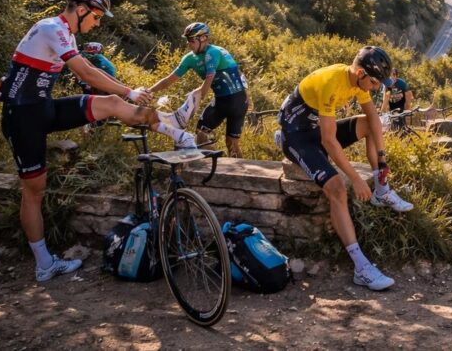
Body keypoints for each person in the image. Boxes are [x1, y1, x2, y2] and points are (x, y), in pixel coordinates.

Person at [0, 0, 192, 282]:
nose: (98, 22)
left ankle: (175, 131)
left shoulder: (65, 32)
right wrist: (130, 90)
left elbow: (90, 68)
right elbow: (85, 74)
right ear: (81, 9)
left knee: (112, 103)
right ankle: (44, 264)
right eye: (97, 16)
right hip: (22, 116)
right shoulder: (51, 27)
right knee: (34, 191)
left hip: (43, 108)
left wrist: (126, 93)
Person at [275, 46, 413, 291]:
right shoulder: (332, 83)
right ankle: (362, 268)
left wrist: (380, 162)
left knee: (369, 124)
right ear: (359, 72)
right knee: (338, 189)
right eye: (372, 82)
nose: (374, 88)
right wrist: (356, 179)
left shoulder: (357, 81)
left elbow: (372, 117)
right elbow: (329, 141)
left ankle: (382, 190)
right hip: (297, 137)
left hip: (315, 128)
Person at [148, 22, 249, 157]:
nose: (189, 44)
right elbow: (169, 79)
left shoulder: (213, 53)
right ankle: (216, 165)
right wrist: (148, 91)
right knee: (201, 133)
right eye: (188, 40)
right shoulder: (190, 58)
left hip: (238, 101)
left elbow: (208, 82)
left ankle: (238, 173)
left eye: (191, 40)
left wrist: (193, 101)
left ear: (203, 38)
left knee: (232, 144)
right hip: (220, 100)